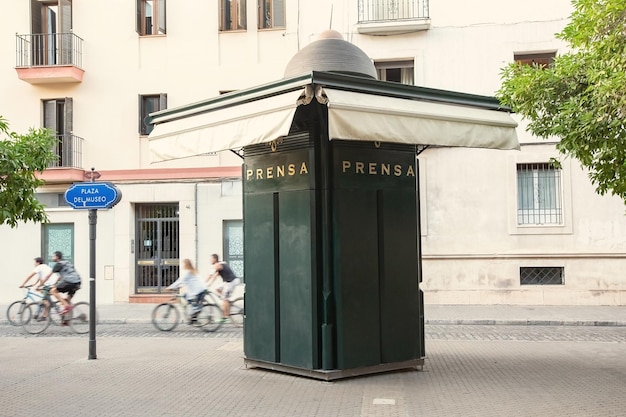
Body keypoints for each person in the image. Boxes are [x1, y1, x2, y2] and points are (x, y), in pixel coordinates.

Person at [39, 251, 81, 316]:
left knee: (53, 291)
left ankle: (66, 306)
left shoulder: (58, 264)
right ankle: (67, 320)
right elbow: (61, 277)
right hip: (77, 282)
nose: (52, 258)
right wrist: (55, 284)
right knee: (67, 300)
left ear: (57, 257)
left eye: (53, 256)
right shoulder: (67, 263)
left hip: (70, 281)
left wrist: (41, 285)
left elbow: (48, 276)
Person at [166, 259, 206, 323]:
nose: (182, 265)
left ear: (186, 265)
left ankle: (196, 311)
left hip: (197, 291)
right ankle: (194, 318)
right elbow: (186, 282)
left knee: (189, 299)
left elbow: (180, 281)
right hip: (201, 289)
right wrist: (180, 286)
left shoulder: (188, 273)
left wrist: (170, 287)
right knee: (186, 297)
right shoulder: (193, 271)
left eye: (183, 264)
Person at [206, 254, 240, 322]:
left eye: (211, 259)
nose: (210, 260)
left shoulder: (217, 265)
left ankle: (226, 317)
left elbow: (210, 275)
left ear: (215, 259)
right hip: (227, 282)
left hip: (231, 282)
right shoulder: (221, 264)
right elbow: (215, 276)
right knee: (217, 289)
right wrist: (209, 284)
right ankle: (227, 301)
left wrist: (204, 283)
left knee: (224, 299)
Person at [21, 257, 56, 321]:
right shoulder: (44, 267)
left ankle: (44, 315)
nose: (34, 264)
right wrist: (35, 284)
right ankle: (47, 306)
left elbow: (30, 276)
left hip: (49, 284)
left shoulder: (39, 267)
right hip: (52, 282)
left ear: (38, 262)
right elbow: (40, 278)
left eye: (35, 262)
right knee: (42, 294)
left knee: (45, 300)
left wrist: (23, 284)